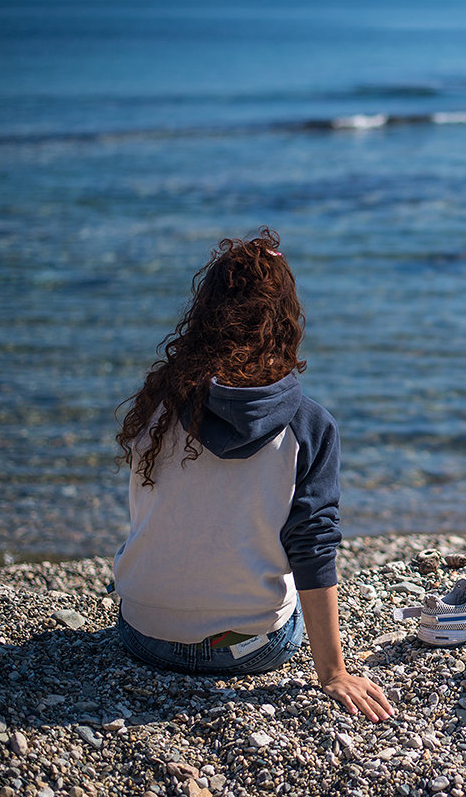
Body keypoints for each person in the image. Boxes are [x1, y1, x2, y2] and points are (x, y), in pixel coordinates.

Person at [113, 228, 392, 722]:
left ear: (204, 317)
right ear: (285, 322)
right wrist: (333, 673)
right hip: (246, 649)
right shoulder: (309, 425)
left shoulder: (157, 403)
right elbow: (312, 546)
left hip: (145, 634)